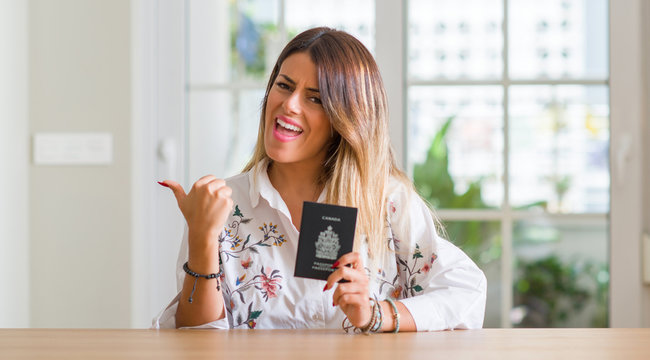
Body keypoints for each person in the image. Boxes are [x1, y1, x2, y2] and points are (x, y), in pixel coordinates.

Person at [153, 27, 486, 332]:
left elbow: (465, 292)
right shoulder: (221, 205)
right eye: (283, 86)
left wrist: (378, 315)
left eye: (315, 98)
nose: (289, 104)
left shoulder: (388, 201)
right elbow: (196, 341)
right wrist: (201, 238)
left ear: (346, 118)